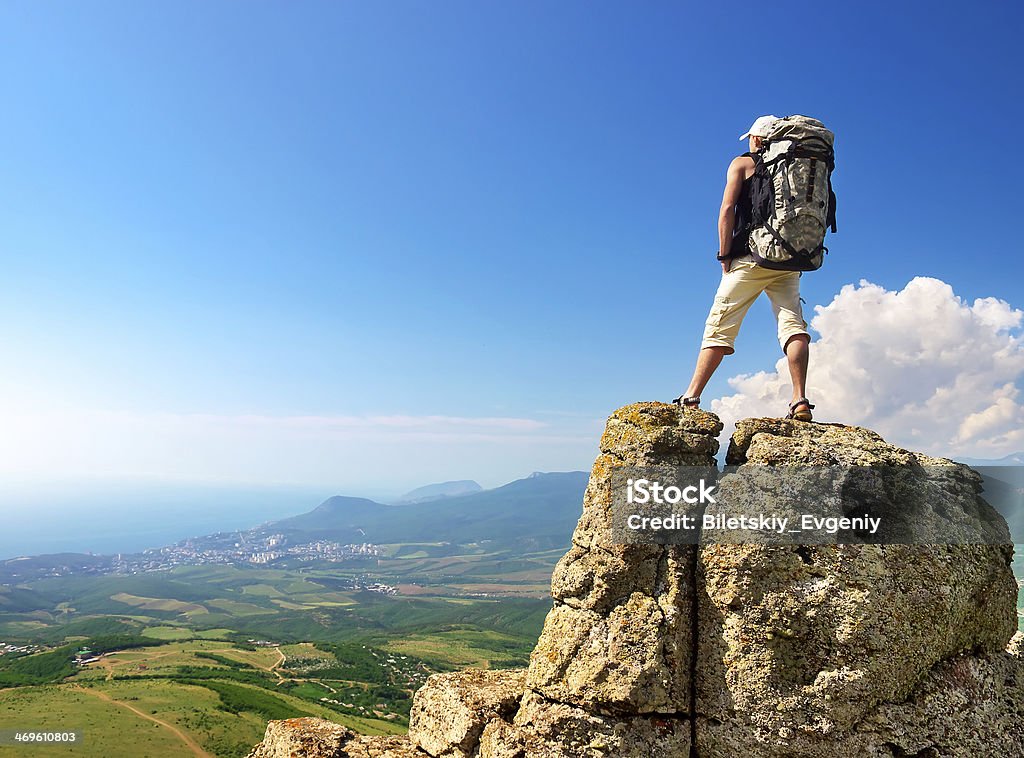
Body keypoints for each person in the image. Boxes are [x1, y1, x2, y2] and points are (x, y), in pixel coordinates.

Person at [674, 115, 814, 421]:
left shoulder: (742, 164)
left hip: (751, 258)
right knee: (792, 325)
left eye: (751, 137)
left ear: (758, 140)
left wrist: (724, 255)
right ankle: (799, 399)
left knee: (719, 325)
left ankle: (691, 397)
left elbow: (727, 210)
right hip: (790, 259)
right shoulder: (793, 169)